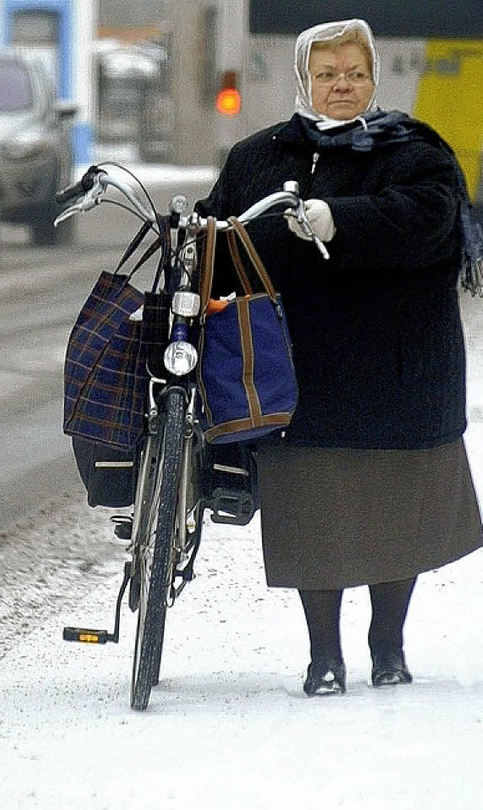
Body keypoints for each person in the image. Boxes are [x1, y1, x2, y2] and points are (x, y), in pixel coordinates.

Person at [196, 18, 483, 696]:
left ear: (374, 77)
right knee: (313, 516)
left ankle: (388, 643)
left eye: (354, 72)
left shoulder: (416, 149)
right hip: (300, 370)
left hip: (400, 366)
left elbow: (430, 218)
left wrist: (339, 219)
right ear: (305, 81)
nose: (342, 86)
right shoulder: (258, 156)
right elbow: (221, 232)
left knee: (396, 513)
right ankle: (323, 654)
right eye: (327, 75)